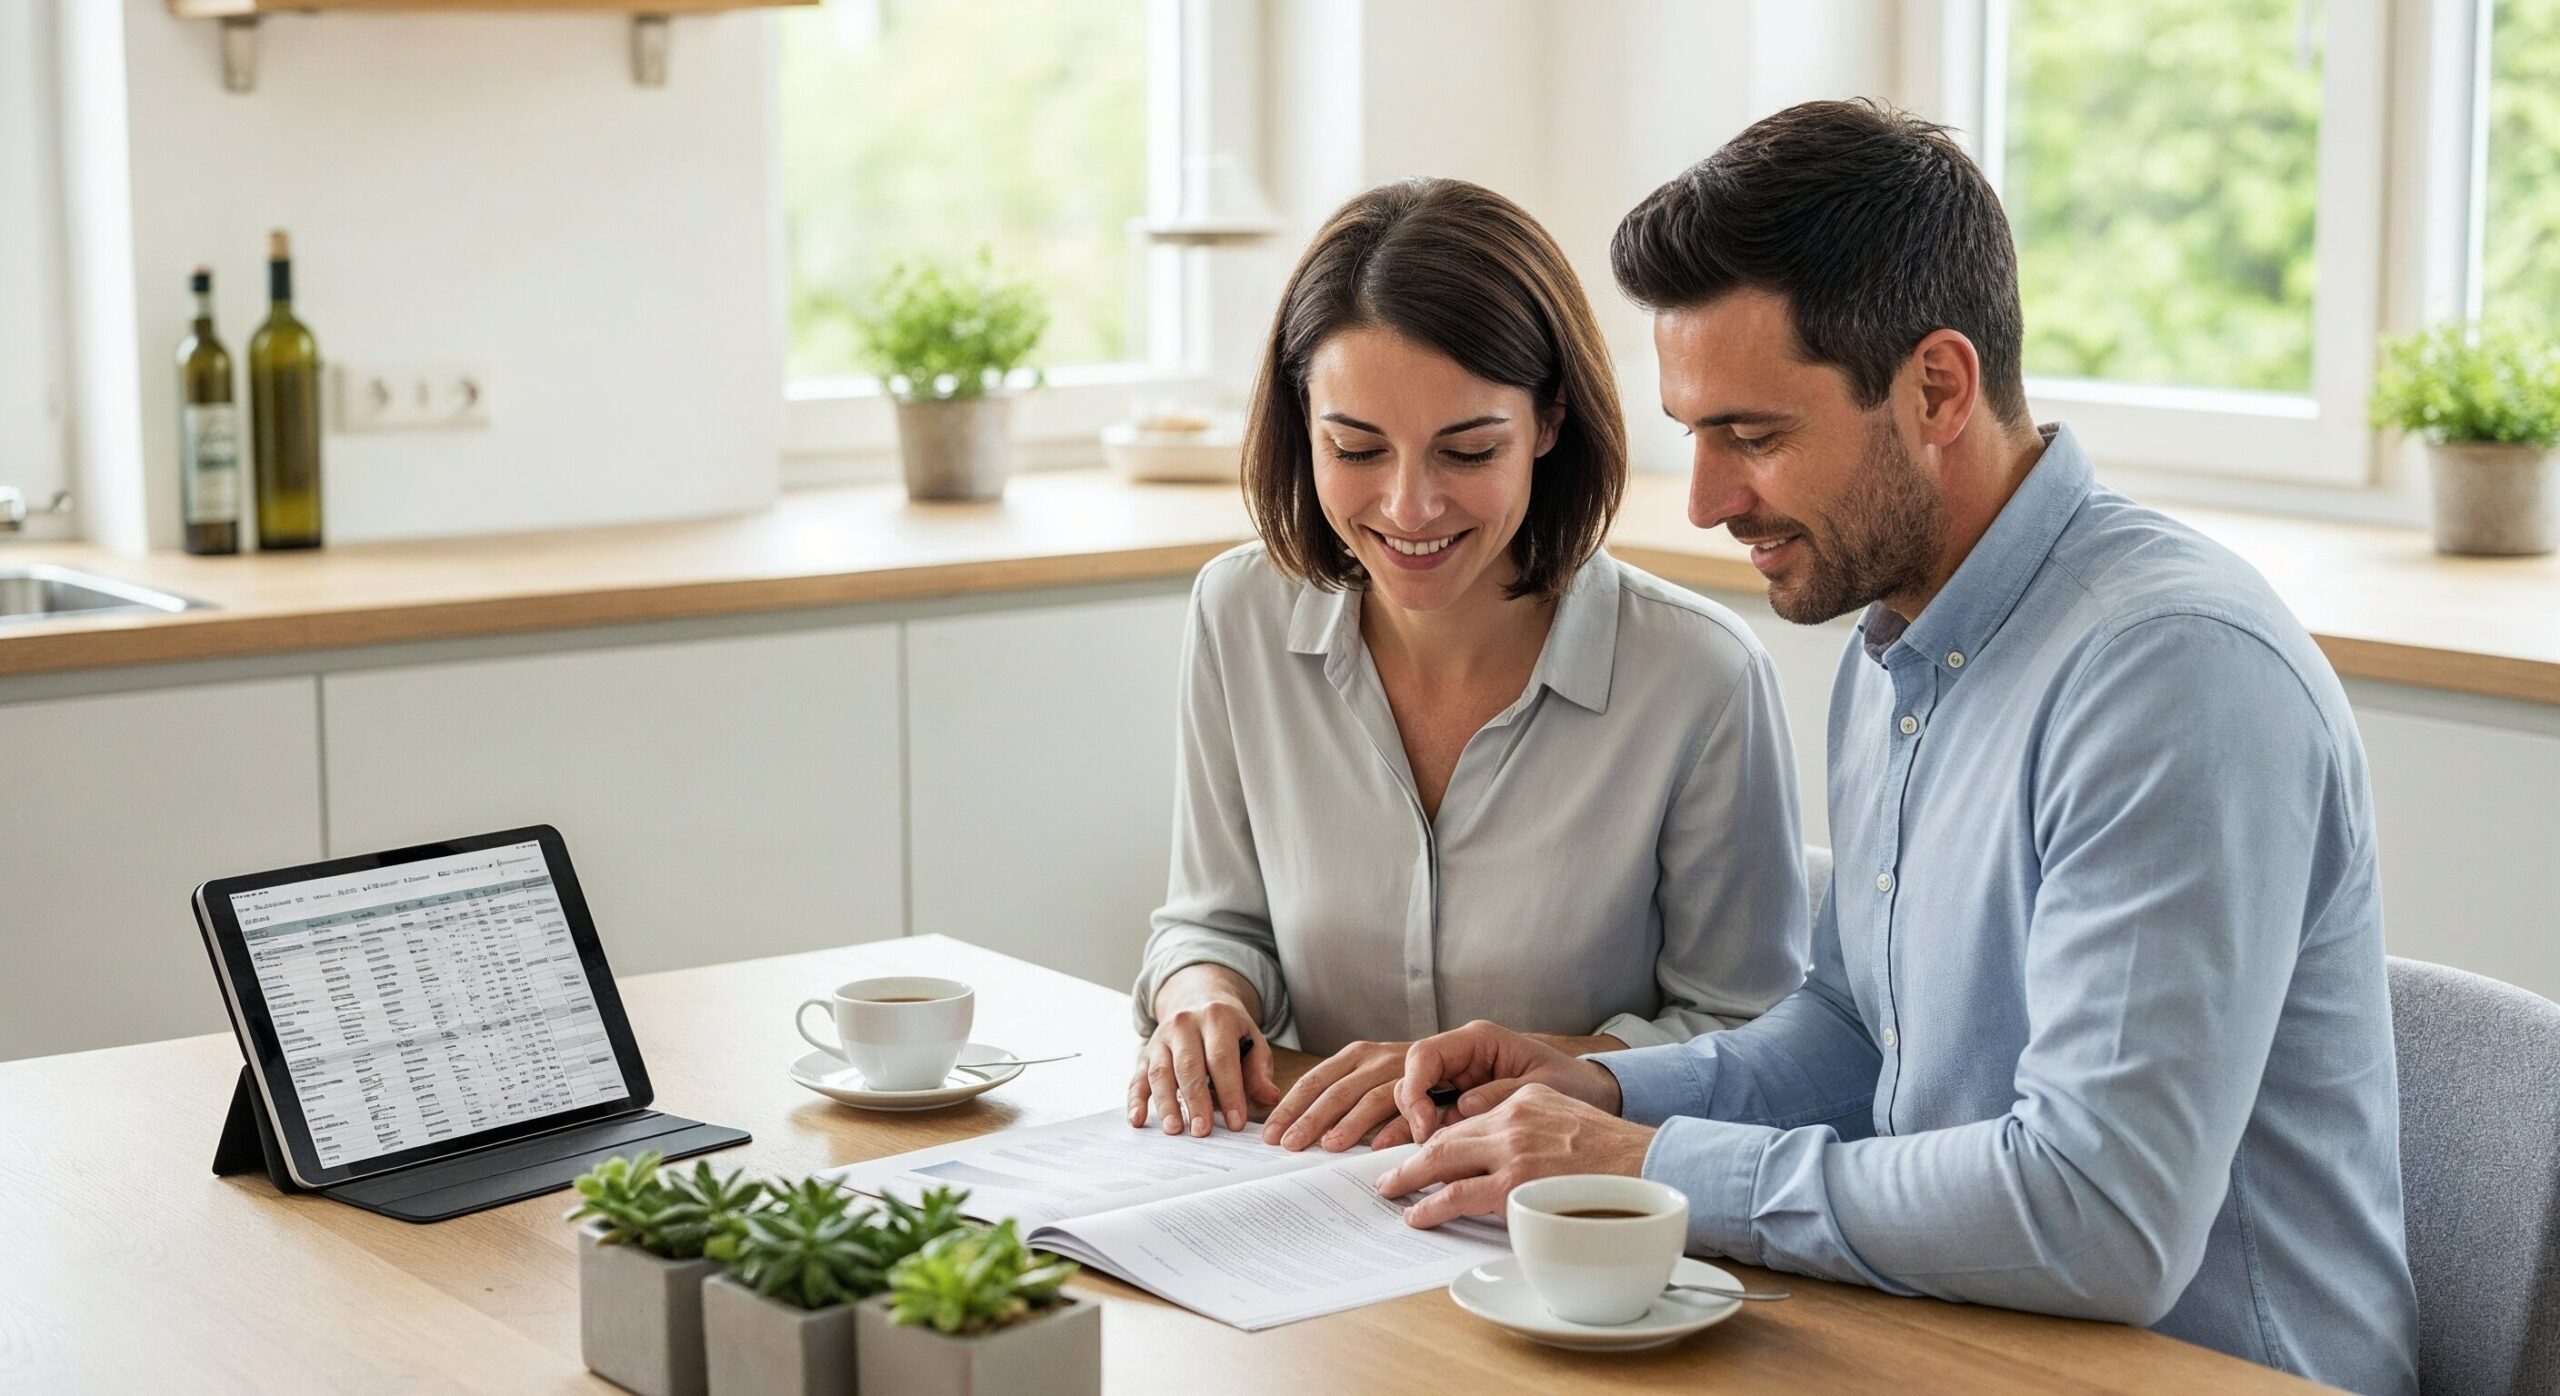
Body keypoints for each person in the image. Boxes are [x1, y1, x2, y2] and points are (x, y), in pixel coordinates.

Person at [1371, 102, 2419, 1396]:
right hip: (1964, 1342)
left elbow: (2099, 1218)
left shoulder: (2173, 674)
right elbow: (1864, 1036)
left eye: (1753, 436)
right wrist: (1608, 1091)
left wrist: (1654, 1170)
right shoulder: (1898, 643)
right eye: (1693, 434)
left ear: (1937, 388)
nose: (1704, 501)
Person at [1125, 177, 1810, 1153]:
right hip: (1321, 1193)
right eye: (1356, 448)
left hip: (1569, 1210)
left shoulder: (1700, 677)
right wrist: (1201, 991)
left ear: (1549, 423)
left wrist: (1511, 1072)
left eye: (1469, 451)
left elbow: (1750, 1038)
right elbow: (1216, 920)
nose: (1408, 507)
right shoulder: (1239, 613)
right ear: (1301, 426)